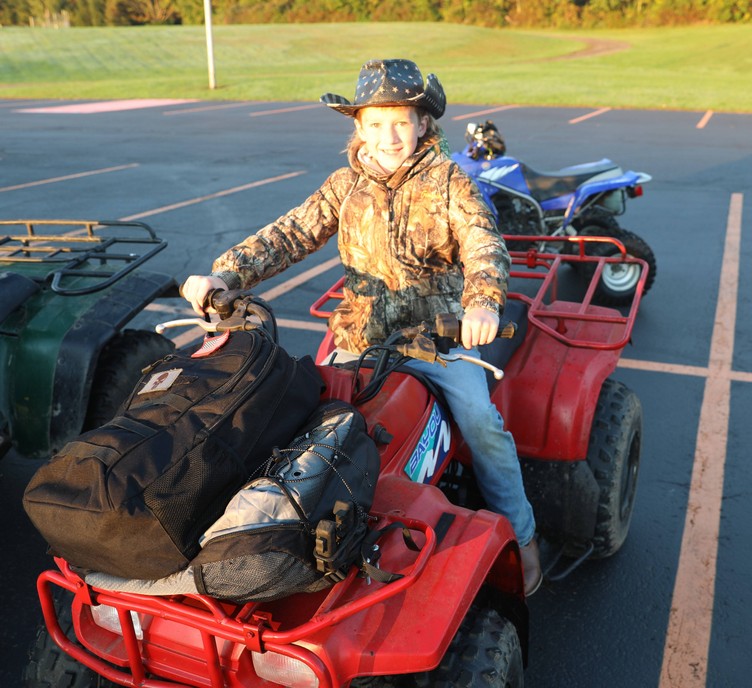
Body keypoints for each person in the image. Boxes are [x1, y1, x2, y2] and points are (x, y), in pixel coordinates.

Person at [181, 58, 542, 595]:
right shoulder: (345, 184)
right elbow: (292, 232)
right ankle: (276, 537)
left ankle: (526, 538)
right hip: (360, 337)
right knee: (303, 422)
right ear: (358, 128)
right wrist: (224, 274)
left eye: (400, 121)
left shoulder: (451, 183)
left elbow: (483, 244)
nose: (388, 135)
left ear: (422, 124)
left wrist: (484, 303)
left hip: (438, 342)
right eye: (375, 123)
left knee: (483, 425)